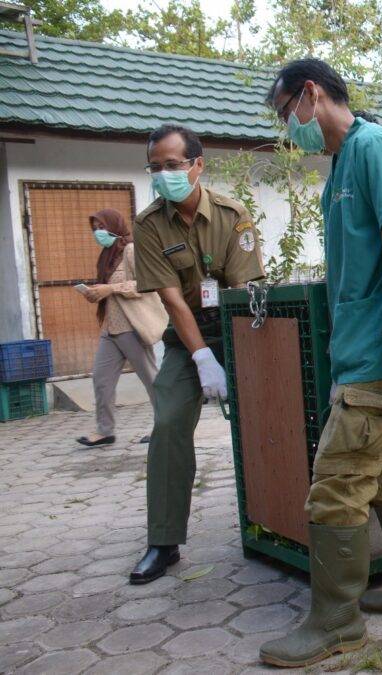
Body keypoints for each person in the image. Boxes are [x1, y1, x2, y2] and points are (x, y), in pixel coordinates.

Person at [260, 58, 382, 668]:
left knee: (337, 486)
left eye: (287, 112)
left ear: (311, 94)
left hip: (381, 352)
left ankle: (336, 623)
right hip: (364, 351)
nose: (290, 129)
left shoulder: (376, 148)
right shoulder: (341, 164)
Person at [128, 124, 265, 584]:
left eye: (173, 165)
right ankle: (164, 541)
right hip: (185, 340)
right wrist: (203, 359)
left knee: (269, 417)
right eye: (156, 167)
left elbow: (244, 292)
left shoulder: (233, 214)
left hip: (240, 331)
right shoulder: (148, 224)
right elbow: (172, 300)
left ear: (198, 165)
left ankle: (275, 520)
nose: (163, 174)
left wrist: (240, 355)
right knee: (168, 423)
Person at [76, 209, 167, 448]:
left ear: (114, 226)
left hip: (131, 327)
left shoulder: (131, 250)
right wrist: (96, 293)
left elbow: (148, 283)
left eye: (102, 226)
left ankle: (165, 426)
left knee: (151, 379)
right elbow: (109, 291)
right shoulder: (107, 256)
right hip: (110, 328)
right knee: (101, 379)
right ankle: (105, 431)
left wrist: (111, 289)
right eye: (95, 228)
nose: (98, 232)